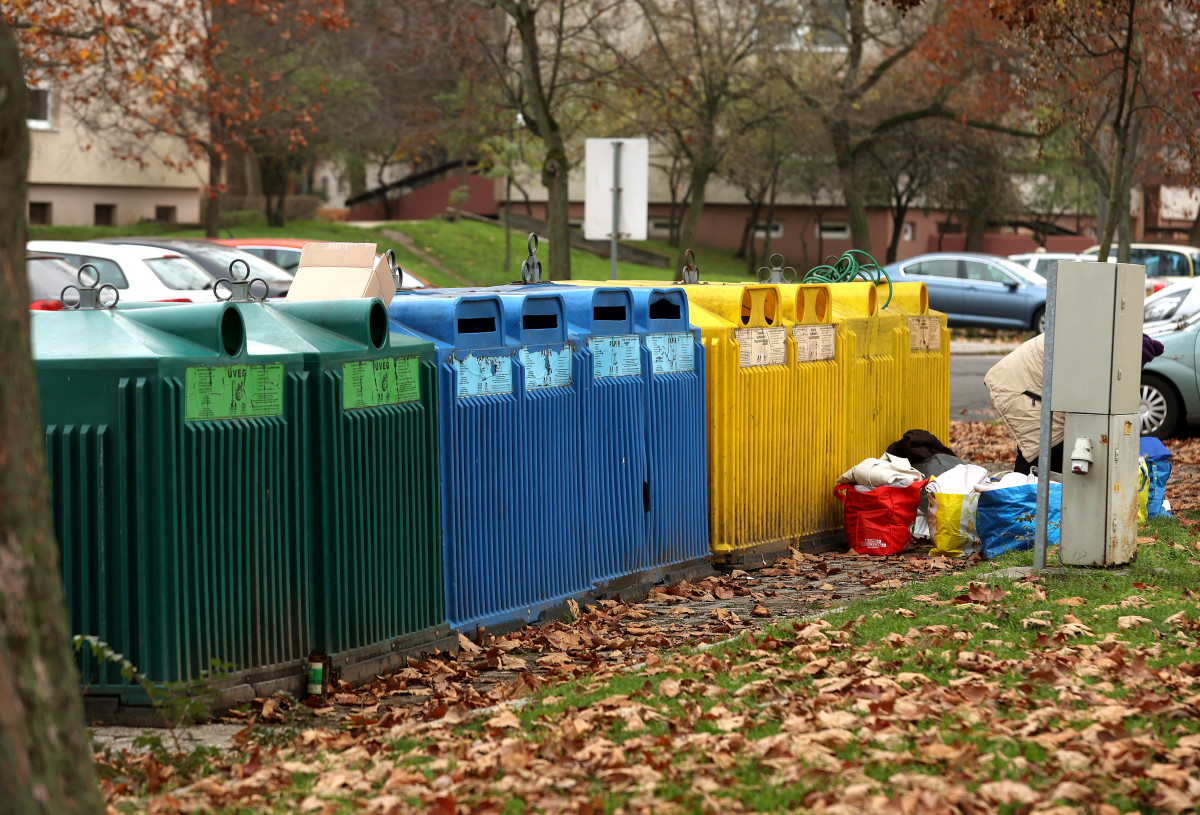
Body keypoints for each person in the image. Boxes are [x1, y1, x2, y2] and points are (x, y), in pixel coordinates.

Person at [984, 332, 1164, 475]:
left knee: (1049, 448)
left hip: (1029, 384)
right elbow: (1085, 400)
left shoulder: (1103, 342)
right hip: (1020, 386)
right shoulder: (1095, 353)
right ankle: (1025, 506)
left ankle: (1035, 504)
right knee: (1042, 448)